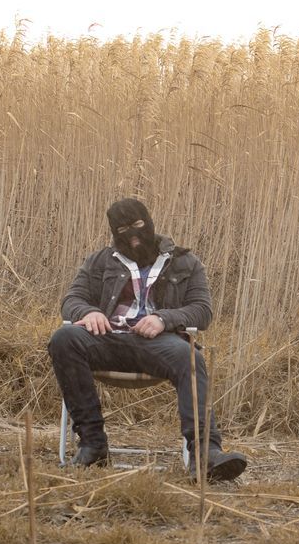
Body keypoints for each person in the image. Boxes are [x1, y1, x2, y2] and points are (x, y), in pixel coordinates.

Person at [47, 198, 250, 480]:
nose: (132, 236)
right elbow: (72, 299)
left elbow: (202, 310)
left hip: (159, 344)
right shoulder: (100, 261)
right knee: (64, 338)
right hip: (107, 340)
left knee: (189, 356)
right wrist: (88, 312)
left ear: (150, 222)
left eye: (138, 225)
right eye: (122, 230)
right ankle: (92, 444)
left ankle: (205, 454)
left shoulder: (185, 262)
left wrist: (164, 319)